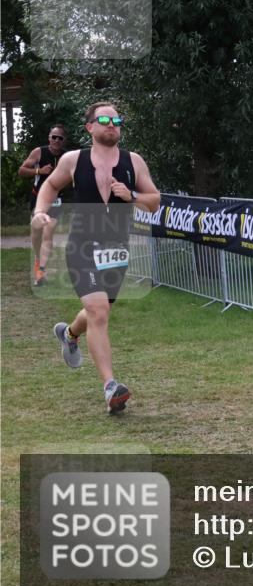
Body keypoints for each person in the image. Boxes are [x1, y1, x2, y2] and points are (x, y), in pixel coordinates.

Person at [31, 102, 160, 414]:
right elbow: (49, 185)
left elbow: (154, 201)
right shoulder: (74, 160)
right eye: (104, 119)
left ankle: (69, 333)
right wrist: (39, 213)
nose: (112, 124)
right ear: (90, 126)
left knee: (96, 314)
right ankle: (111, 387)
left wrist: (132, 196)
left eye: (117, 120)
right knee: (98, 310)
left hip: (117, 249)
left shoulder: (134, 161)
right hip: (82, 247)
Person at [18, 125, 69, 285]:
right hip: (38, 199)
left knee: (48, 234)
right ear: (49, 138)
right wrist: (39, 171)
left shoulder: (67, 157)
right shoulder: (39, 152)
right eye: (54, 137)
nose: (56, 140)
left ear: (63, 141)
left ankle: (41, 271)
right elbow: (21, 170)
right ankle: (38, 260)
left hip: (56, 201)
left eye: (59, 138)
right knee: (37, 234)